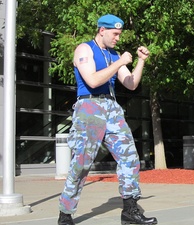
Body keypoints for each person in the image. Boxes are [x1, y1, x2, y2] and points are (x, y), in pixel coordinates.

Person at [57, 14, 157, 225]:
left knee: (130, 158)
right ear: (102, 30)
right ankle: (65, 214)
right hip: (89, 107)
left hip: (112, 108)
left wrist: (140, 62)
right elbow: (92, 81)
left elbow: (130, 84)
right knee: (82, 163)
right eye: (115, 34)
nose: (117, 38)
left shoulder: (113, 54)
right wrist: (119, 61)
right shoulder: (84, 49)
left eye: (119, 34)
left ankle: (130, 210)